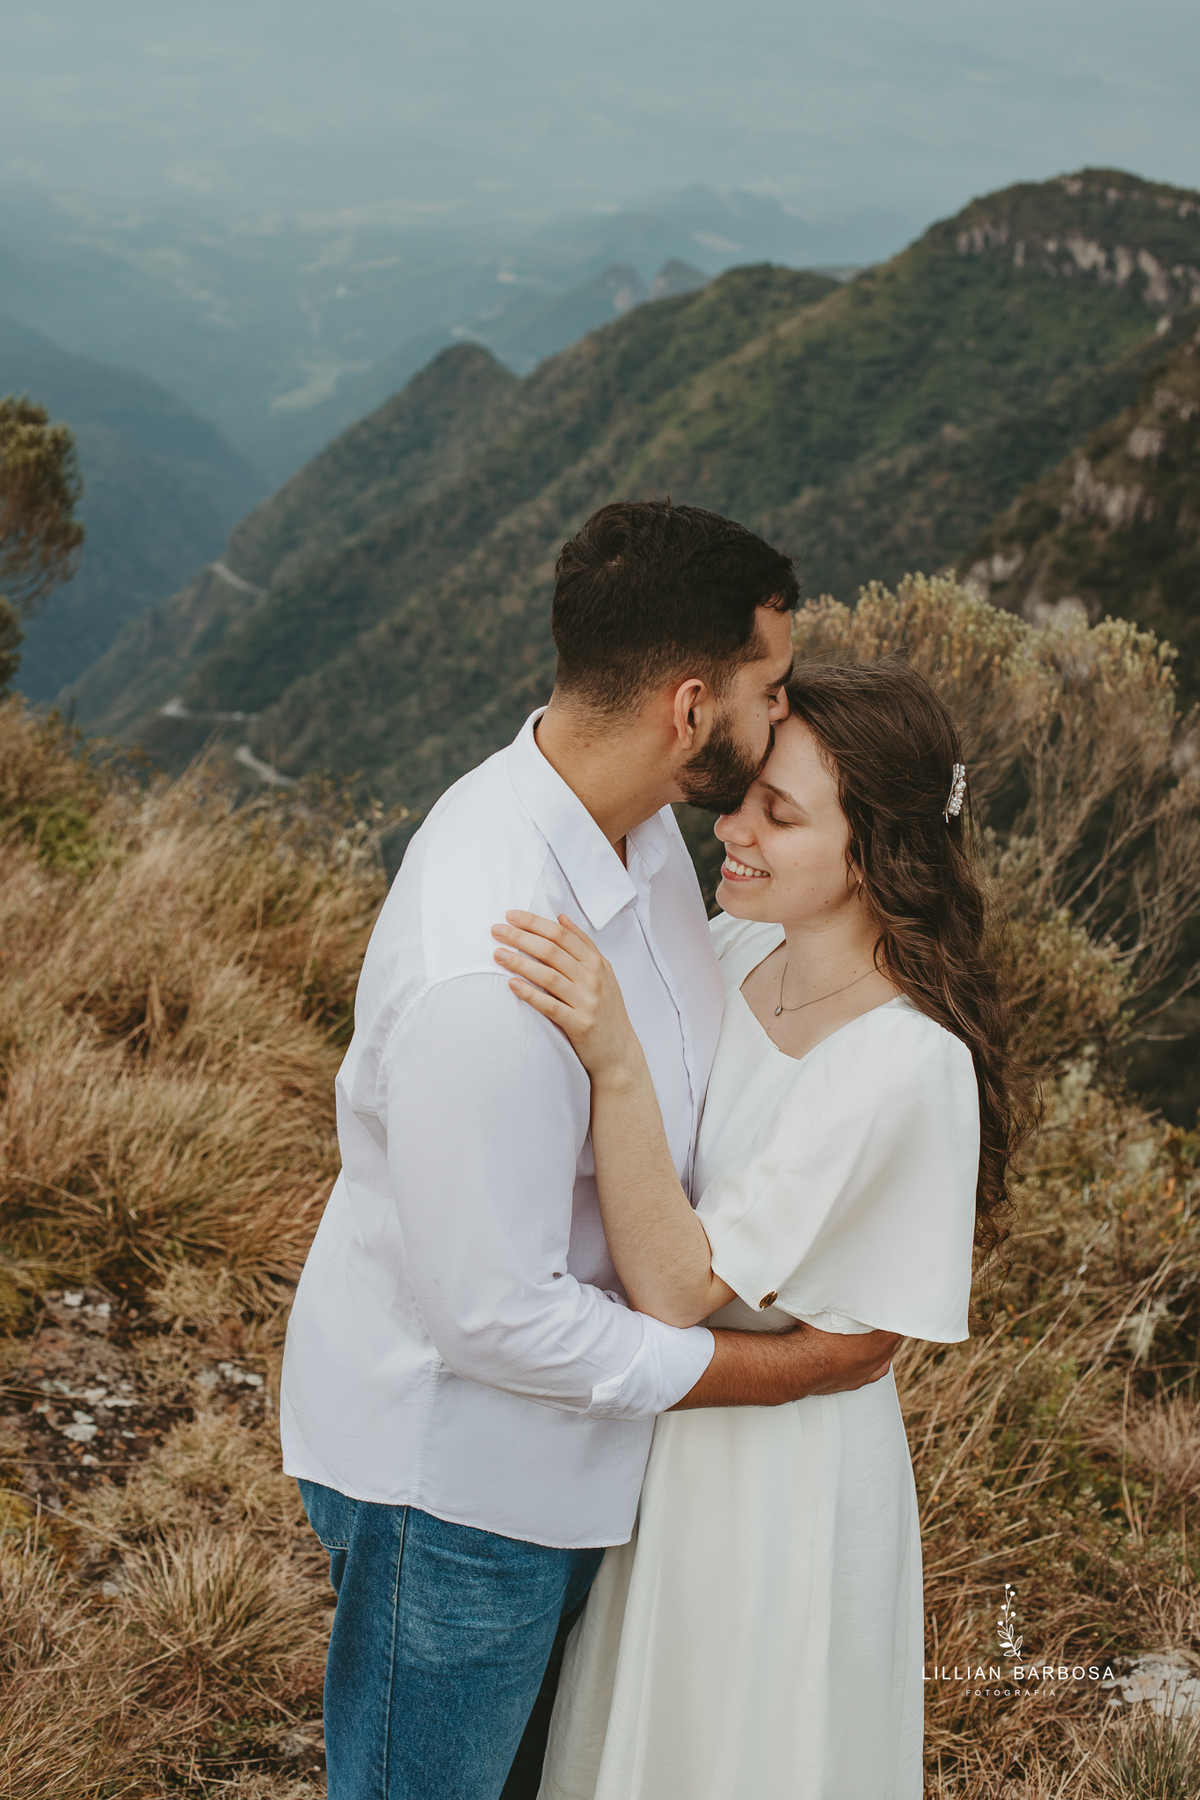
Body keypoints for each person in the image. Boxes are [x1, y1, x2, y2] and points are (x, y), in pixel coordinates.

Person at [279, 501, 902, 1800]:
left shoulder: (637, 830)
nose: (779, 719)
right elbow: (495, 1321)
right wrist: (771, 1373)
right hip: (459, 1493)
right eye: (768, 689)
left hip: (577, 1466)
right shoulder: (487, 963)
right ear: (690, 711)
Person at [490, 660, 1030, 1800]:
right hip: (673, 1435)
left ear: (876, 847)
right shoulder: (740, 949)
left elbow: (681, 1286)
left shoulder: (902, 1062)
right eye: (740, 795)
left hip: (778, 1479)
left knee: (736, 1744)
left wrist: (615, 1059)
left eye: (779, 814)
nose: (730, 828)